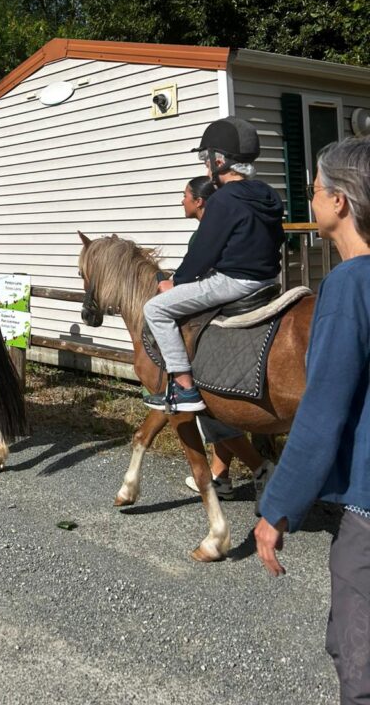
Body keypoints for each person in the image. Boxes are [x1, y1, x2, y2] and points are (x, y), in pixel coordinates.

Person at [255, 137, 370, 705]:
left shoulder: (349, 285)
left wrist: (278, 507)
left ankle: (177, 387)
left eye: (316, 190)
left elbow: (322, 412)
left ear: (341, 202)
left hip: (369, 510)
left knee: (359, 662)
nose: (311, 199)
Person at [143, 117, 285, 412]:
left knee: (155, 309)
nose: (206, 169)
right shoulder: (268, 194)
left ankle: (184, 388)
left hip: (233, 282)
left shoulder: (223, 199)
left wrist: (177, 282)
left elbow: (203, 252)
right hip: (270, 280)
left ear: (220, 161)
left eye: (206, 162)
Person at [179, 176, 275, 501]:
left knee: (200, 376)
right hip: (252, 287)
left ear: (199, 202)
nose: (182, 202)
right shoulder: (242, 214)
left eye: (185, 196)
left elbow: (199, 272)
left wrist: (175, 284)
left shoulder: (205, 232)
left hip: (220, 301)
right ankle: (221, 473)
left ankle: (180, 388)